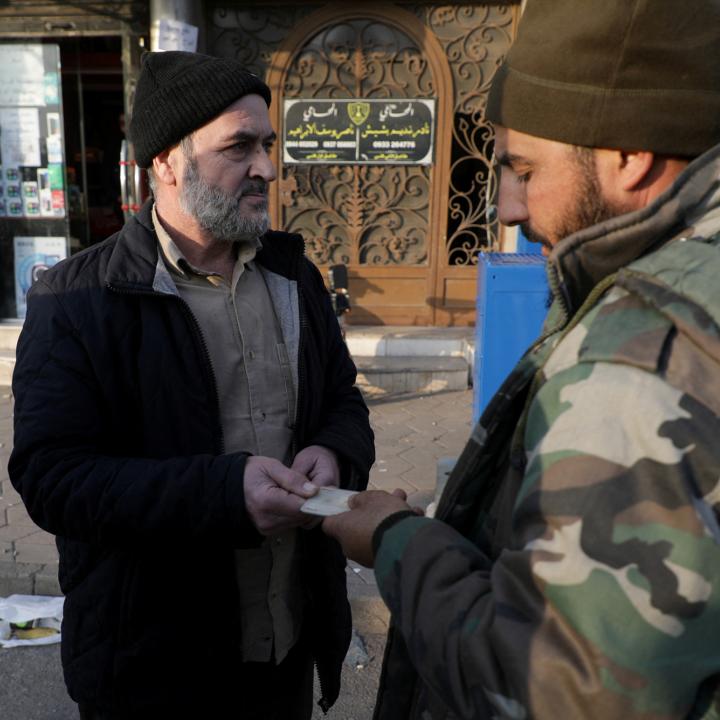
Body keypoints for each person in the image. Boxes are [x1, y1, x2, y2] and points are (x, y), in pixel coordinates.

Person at [323, 0, 720, 717]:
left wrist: (394, 541)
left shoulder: (640, 356)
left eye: (524, 167)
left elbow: (556, 690)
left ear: (629, 156)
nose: (505, 207)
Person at [9, 51, 374, 719]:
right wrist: (222, 493)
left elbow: (344, 402)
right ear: (166, 163)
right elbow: (51, 477)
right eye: (239, 147)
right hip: (151, 672)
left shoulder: (296, 279)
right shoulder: (78, 299)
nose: (266, 167)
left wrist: (336, 451)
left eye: (267, 144)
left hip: (285, 654)